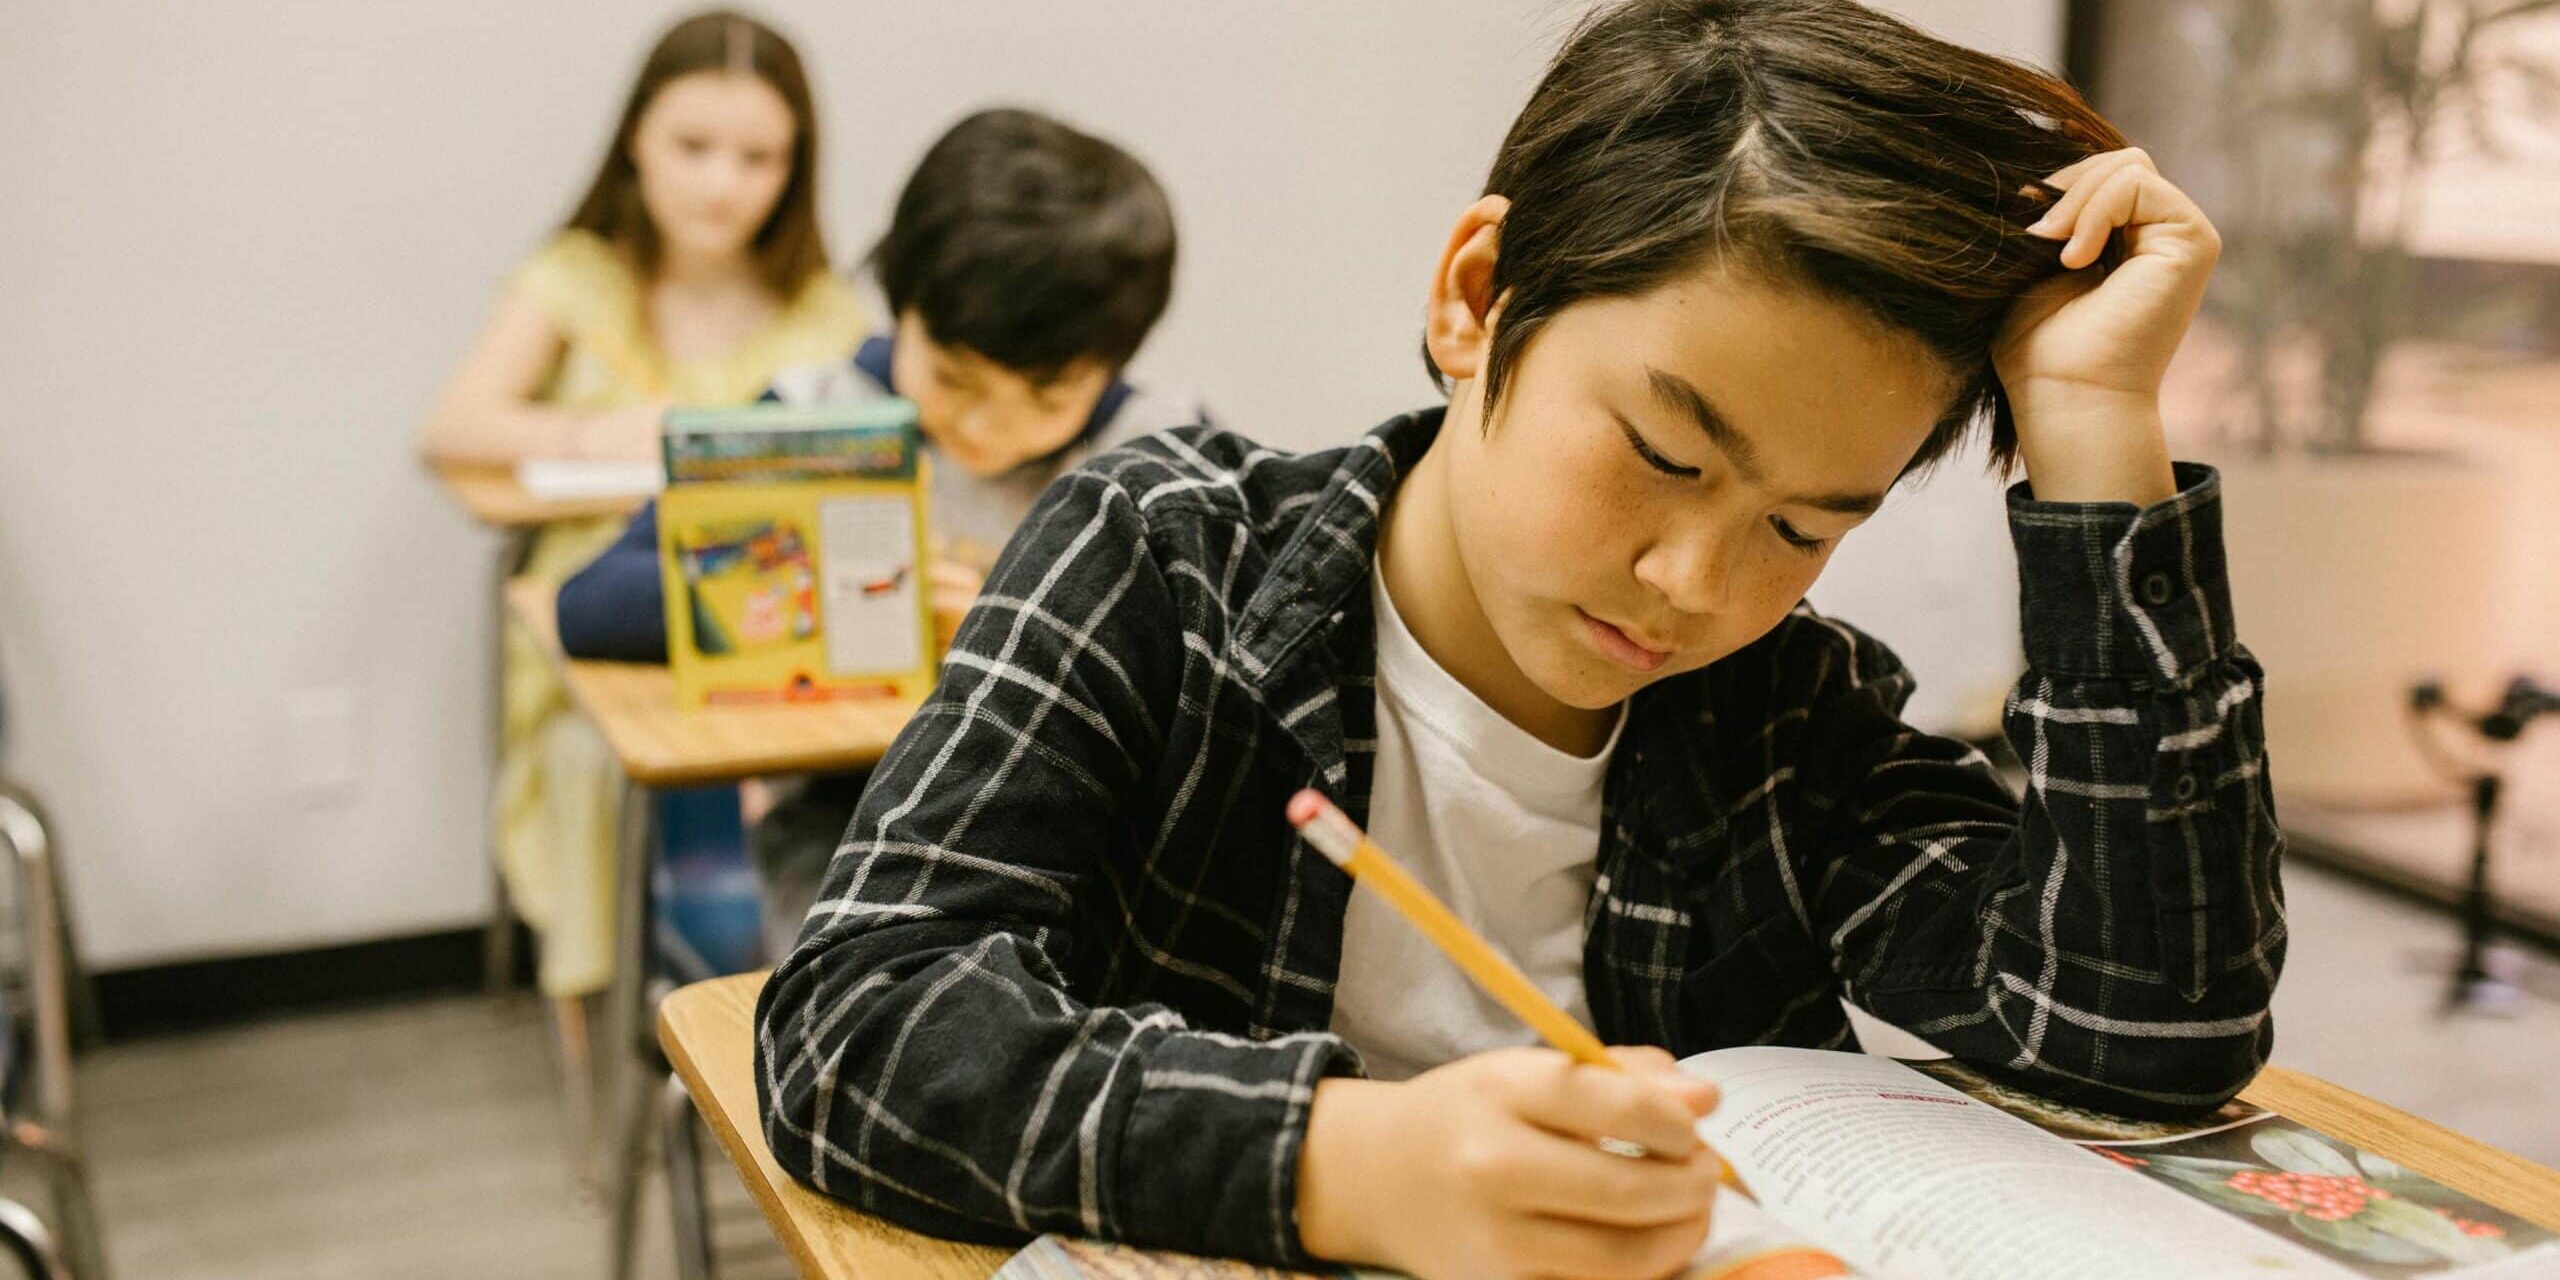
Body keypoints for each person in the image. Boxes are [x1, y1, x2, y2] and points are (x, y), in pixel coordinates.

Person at [758, 3, 2286, 1279]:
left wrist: (2095, 424)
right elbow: (858, 1028)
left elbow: (2140, 1031)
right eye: (1666, 455)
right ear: (1478, 298)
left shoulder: (1778, 712)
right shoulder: (1167, 563)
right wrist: (1340, 1163)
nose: (1694, 580)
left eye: (1806, 529)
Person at [556, 108, 1201, 961]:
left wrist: (1012, 622)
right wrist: (855, 595)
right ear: (901, 306)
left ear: (1114, 365)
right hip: (851, 824)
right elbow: (591, 604)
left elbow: (1216, 658)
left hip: (1093, 831)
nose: (985, 429)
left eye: (1045, 401)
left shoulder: (1153, 448)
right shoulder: (818, 420)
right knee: (893, 1016)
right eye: (953, 377)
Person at [419, 10, 860, 1000]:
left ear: (796, 165)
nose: (720, 183)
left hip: (772, 631)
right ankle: (613, 1050)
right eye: (693, 147)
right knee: (591, 763)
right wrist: (590, 438)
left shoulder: (825, 311)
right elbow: (452, 427)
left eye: (756, 157)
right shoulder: (577, 280)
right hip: (602, 623)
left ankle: (769, 1023)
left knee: (800, 778)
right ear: (637, 141)